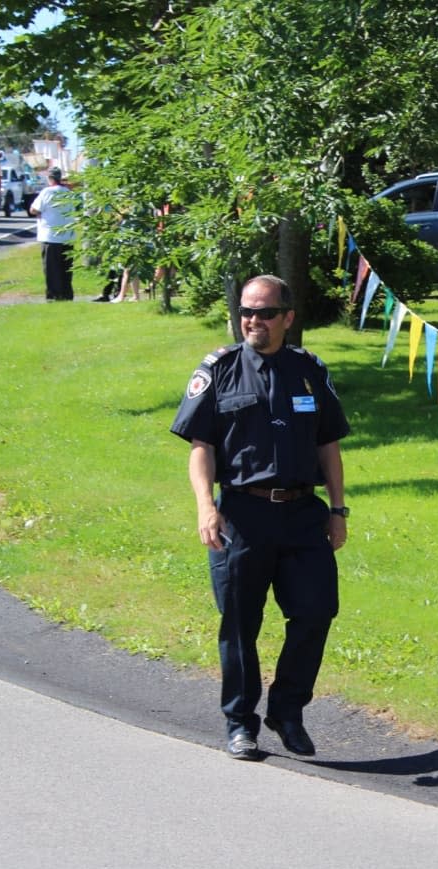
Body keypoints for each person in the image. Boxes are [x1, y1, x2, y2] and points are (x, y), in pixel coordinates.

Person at [170, 274, 351, 761]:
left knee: (316, 611)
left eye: (265, 313)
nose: (254, 321)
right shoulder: (220, 368)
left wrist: (337, 510)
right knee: (239, 624)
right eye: (247, 311)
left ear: (288, 319)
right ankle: (240, 723)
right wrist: (206, 507)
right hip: (242, 517)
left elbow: (327, 446)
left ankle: (287, 711)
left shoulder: (309, 370)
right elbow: (200, 447)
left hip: (301, 515)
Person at [28, 168, 78, 301]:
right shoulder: (69, 193)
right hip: (68, 236)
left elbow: (34, 209)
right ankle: (67, 294)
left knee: (51, 269)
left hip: (50, 236)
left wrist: (40, 213)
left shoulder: (47, 192)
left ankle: (54, 295)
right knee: (66, 268)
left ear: (50, 179)